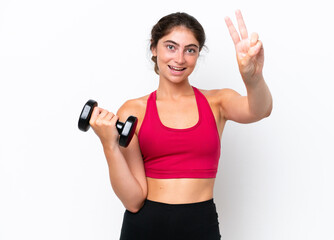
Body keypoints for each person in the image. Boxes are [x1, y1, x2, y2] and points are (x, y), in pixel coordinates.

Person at [89, 9, 272, 240]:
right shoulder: (134, 110)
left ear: (197, 54)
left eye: (190, 50)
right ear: (154, 48)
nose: (179, 59)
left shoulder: (217, 102)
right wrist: (109, 146)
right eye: (171, 46)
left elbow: (260, 110)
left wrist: (253, 79)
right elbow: (133, 200)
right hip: (145, 228)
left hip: (200, 226)